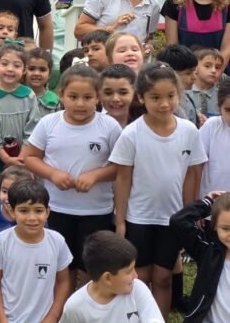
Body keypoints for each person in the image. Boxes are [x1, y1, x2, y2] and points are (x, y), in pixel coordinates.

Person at [109, 62, 207, 317]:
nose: (164, 104)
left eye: (170, 96)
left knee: (163, 277)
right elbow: (122, 179)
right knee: (140, 277)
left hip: (171, 219)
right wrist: (120, 221)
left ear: (178, 94)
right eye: (155, 98)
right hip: (138, 216)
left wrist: (189, 215)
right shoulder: (132, 133)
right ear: (141, 98)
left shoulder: (188, 131)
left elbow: (191, 175)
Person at [23, 65, 121, 284]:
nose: (80, 103)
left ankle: (87, 311)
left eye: (87, 97)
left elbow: (121, 166)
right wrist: (53, 174)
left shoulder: (109, 126)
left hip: (97, 210)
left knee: (91, 265)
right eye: (73, 96)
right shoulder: (49, 123)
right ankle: (63, 308)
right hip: (57, 208)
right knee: (63, 266)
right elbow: (29, 157)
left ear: (97, 97)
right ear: (61, 95)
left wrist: (96, 175)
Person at [0, 179, 72, 323]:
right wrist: (2, 319)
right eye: (24, 211)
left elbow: (64, 282)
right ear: (12, 211)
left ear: (47, 212)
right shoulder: (1, 242)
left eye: (38, 210)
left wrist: (52, 317)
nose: (32, 218)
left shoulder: (57, 241)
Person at [60, 231, 163, 322]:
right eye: (129, 271)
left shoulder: (137, 289)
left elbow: (153, 319)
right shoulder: (75, 307)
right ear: (108, 278)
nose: (135, 276)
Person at [0, 44, 40, 189]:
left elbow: (33, 127)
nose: (10, 69)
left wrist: (21, 157)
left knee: (21, 189)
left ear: (24, 70)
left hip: (23, 158)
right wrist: (5, 157)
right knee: (0, 191)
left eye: (16, 65)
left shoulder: (29, 95)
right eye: (5, 64)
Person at [169, 191, 230, 323]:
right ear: (214, 227)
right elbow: (178, 222)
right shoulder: (208, 250)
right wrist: (207, 202)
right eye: (226, 228)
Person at [198, 78, 230, 196]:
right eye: (228, 110)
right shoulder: (212, 126)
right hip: (211, 202)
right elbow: (197, 165)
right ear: (219, 108)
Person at [156, 45, 199, 125]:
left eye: (195, 72)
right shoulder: (169, 106)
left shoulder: (185, 97)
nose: (194, 77)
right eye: (188, 73)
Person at [188, 48, 224, 118]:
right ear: (195, 68)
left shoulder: (222, 96)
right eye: (207, 66)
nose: (213, 70)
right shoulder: (185, 93)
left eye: (217, 67)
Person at [99, 64, 137, 128]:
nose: (115, 99)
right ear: (99, 94)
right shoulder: (93, 126)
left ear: (134, 92)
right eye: (108, 93)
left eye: (123, 93)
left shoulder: (142, 126)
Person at [25, 47, 58, 117]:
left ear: (49, 74)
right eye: (31, 69)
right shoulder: (18, 97)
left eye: (42, 70)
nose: (36, 73)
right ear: (24, 70)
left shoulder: (55, 101)